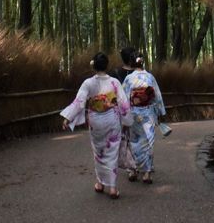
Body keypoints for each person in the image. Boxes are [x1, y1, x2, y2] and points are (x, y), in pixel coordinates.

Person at [60, 52, 132, 199]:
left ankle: (100, 184)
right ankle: (112, 188)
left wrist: (68, 118)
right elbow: (124, 104)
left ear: (94, 66)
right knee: (112, 151)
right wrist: (127, 121)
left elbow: (79, 102)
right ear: (107, 65)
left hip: (95, 121)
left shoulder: (88, 83)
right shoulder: (115, 82)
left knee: (99, 152)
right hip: (112, 118)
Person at [123, 53, 166, 184]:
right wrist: (160, 112)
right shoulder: (150, 77)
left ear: (133, 63)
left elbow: (124, 99)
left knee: (133, 141)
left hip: (133, 114)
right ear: (143, 62)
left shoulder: (129, 79)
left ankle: (133, 170)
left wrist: (123, 116)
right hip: (148, 114)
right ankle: (146, 173)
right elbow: (157, 96)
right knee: (148, 142)